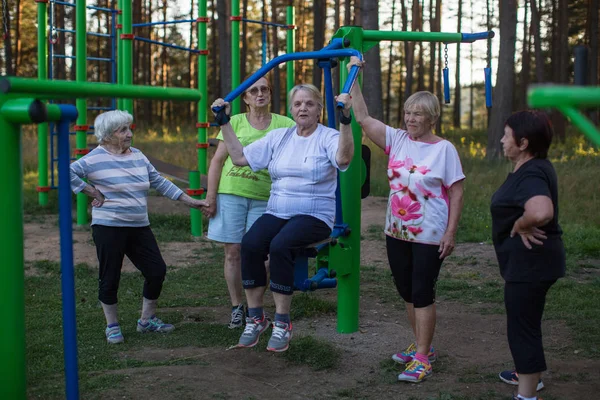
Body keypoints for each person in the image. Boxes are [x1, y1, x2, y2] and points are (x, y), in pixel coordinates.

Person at [345, 56, 465, 383]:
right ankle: (420, 346)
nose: (411, 118)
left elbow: (456, 192)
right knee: (407, 292)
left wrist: (451, 232)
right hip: (396, 231)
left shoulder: (444, 150)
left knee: (423, 292)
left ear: (432, 119)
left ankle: (423, 358)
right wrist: (353, 75)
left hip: (429, 234)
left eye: (418, 114)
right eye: (408, 112)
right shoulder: (396, 140)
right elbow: (363, 117)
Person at [211, 83, 354, 352]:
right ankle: (256, 318)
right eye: (298, 104)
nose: (303, 108)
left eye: (309, 104)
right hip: (278, 210)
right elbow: (240, 157)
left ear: (319, 110)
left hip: (314, 214)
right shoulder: (280, 136)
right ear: (291, 109)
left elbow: (344, 157)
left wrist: (346, 121)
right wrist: (224, 123)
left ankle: (282, 322)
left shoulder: (328, 136)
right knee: (251, 244)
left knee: (280, 246)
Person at [70, 110, 209, 344]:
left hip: (139, 226)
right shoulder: (95, 158)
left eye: (129, 128)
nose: (129, 134)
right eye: (122, 130)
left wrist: (191, 201)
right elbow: (68, 171)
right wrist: (91, 190)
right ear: (107, 135)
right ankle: (112, 325)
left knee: (157, 271)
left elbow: (160, 182)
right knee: (110, 277)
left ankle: (146, 320)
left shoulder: (138, 156)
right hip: (109, 226)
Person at [203, 76, 295, 329]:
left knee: (262, 255)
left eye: (265, 89)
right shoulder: (234, 122)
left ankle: (255, 306)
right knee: (233, 252)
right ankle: (237, 307)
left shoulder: (284, 124)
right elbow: (217, 161)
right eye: (253, 91)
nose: (259, 94)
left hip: (267, 197)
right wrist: (211, 197)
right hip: (231, 192)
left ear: (271, 93)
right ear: (245, 98)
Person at [491, 110, 565, 400]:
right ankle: (529, 375)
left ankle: (527, 395)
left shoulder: (532, 171)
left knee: (523, 329)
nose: (501, 140)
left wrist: (521, 223)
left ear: (523, 143)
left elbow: (542, 211)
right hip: (533, 263)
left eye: (506, 135)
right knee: (527, 324)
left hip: (530, 264)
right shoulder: (536, 167)